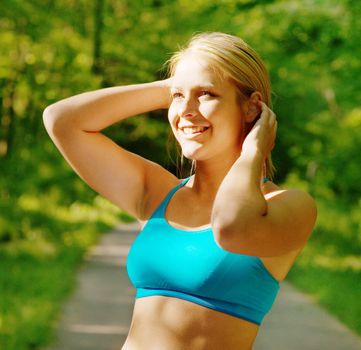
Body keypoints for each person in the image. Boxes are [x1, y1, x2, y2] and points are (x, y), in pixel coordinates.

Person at [43, 32, 317, 350]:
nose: (185, 110)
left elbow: (230, 226)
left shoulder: (290, 206)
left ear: (252, 108)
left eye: (207, 94)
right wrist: (177, 85)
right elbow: (61, 120)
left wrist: (253, 153)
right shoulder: (157, 194)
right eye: (178, 97)